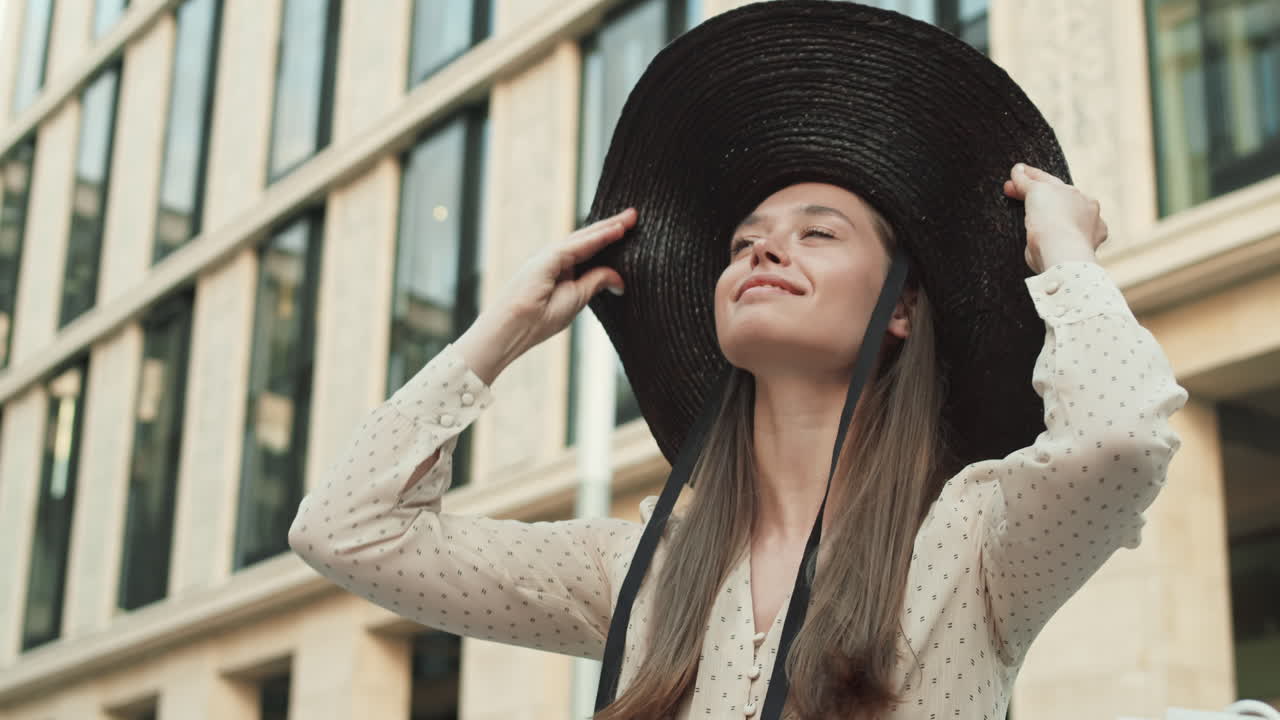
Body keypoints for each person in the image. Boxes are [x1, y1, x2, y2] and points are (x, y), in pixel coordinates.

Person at [288, 1, 1189, 718]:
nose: (761, 251)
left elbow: (1119, 439)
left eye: (817, 233)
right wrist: (505, 330)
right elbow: (347, 534)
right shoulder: (638, 568)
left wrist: (1065, 255)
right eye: (743, 241)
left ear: (903, 308)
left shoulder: (977, 540)